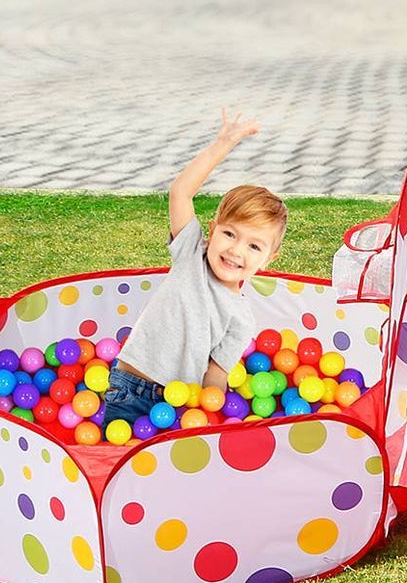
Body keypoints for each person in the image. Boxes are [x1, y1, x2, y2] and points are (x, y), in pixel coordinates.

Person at [101, 110, 288, 425]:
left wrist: (210, 415)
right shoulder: (191, 254)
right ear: (212, 230)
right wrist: (224, 143)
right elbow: (180, 192)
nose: (235, 250)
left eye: (254, 246)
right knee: (119, 468)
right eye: (229, 234)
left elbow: (216, 373)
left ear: (269, 258)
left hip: (181, 408)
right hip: (130, 390)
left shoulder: (241, 320)